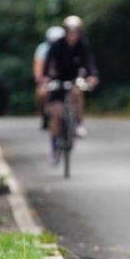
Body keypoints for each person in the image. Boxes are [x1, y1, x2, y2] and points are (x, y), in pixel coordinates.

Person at [43, 15, 99, 163]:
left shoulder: (83, 45)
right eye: (70, 31)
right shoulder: (57, 45)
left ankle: (79, 123)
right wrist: (46, 77)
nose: (73, 35)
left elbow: (90, 62)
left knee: (77, 92)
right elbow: (48, 63)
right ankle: (54, 147)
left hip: (75, 78)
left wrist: (92, 76)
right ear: (65, 31)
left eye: (76, 32)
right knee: (55, 113)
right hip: (58, 79)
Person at [34, 26, 66, 129]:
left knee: (77, 92)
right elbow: (38, 65)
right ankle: (44, 114)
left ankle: (77, 121)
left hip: (65, 78)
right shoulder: (43, 48)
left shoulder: (68, 47)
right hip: (49, 78)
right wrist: (40, 78)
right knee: (41, 93)